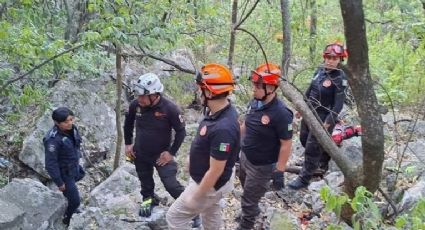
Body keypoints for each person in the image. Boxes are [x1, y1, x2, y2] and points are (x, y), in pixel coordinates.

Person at [166, 63, 240, 229]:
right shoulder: (217, 111)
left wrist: (198, 195)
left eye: (201, 88)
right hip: (212, 180)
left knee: (175, 217)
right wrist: (192, 158)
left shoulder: (224, 127)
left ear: (209, 91)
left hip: (210, 184)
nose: (198, 92)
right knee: (210, 211)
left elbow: (215, 170)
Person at [123, 73, 201, 225]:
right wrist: (127, 144)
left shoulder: (170, 108)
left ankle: (193, 211)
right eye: (138, 96)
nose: (140, 99)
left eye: (143, 96)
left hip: (161, 155)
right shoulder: (136, 105)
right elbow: (128, 124)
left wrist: (171, 153)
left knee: (171, 185)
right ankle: (148, 200)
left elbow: (181, 131)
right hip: (141, 152)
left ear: (155, 94)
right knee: (145, 181)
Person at [237, 63, 293, 230]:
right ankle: (253, 211)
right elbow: (246, 125)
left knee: (248, 199)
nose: (253, 89)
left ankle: (246, 225)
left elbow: (286, 143)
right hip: (245, 157)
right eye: (253, 84)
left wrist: (279, 170)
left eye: (257, 85)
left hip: (262, 166)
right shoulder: (255, 102)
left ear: (270, 87)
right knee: (246, 188)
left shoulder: (281, 113)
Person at [288, 42, 348, 190]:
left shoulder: (340, 78)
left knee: (312, 147)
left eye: (334, 58)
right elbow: (310, 90)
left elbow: (338, 105)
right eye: (328, 57)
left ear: (340, 59)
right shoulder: (320, 71)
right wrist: (301, 107)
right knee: (303, 139)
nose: (330, 60)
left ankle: (304, 178)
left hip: (324, 116)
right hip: (310, 112)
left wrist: (328, 122)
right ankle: (317, 162)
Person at [44, 107, 85, 226]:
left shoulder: (72, 129)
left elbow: (76, 144)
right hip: (65, 173)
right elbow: (50, 164)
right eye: (66, 122)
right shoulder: (52, 140)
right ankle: (67, 218)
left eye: (71, 119)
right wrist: (59, 182)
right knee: (75, 201)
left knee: (80, 178)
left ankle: (71, 206)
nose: (70, 123)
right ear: (57, 123)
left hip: (74, 167)